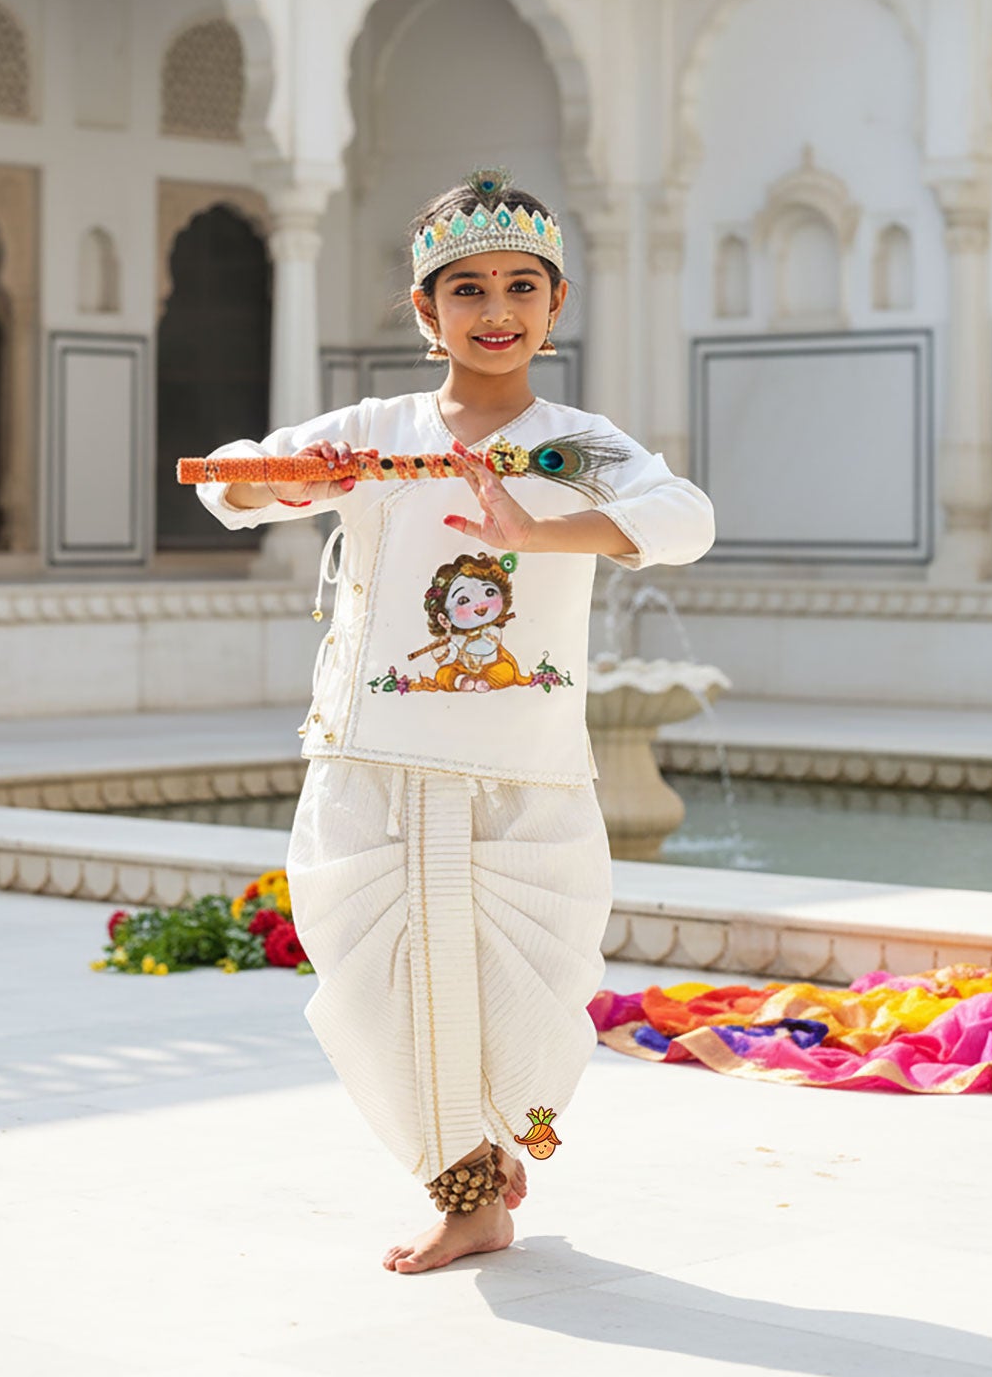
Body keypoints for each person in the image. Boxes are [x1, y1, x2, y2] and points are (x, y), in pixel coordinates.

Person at [196, 169, 715, 1274]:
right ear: (426, 314)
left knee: (530, 992)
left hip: (524, 770)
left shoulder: (574, 445)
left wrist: (542, 531)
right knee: (380, 988)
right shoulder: (376, 432)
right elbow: (230, 481)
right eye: (466, 289)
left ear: (554, 305)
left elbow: (686, 520)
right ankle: (466, 1192)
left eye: (521, 286)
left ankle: (499, 1141)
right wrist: (268, 478)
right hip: (375, 759)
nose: (496, 311)